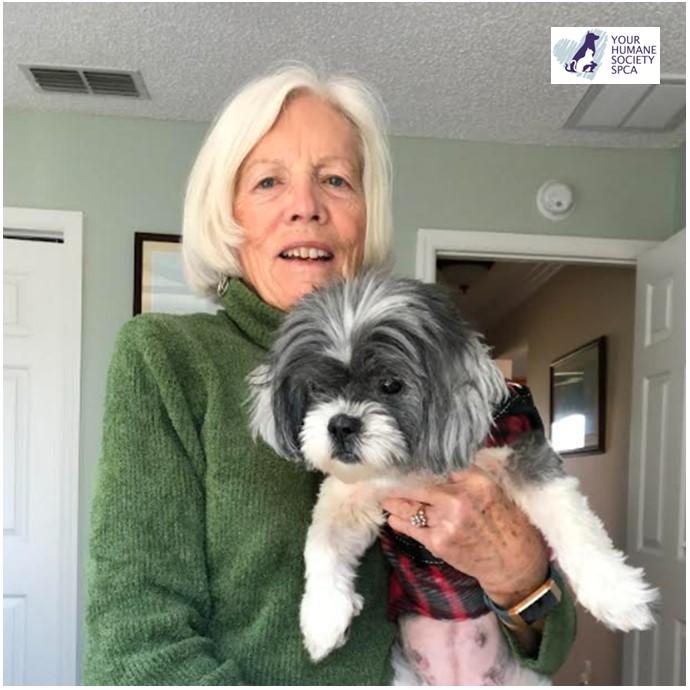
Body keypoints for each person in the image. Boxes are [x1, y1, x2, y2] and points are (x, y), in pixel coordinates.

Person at [84, 64, 575, 685]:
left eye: (335, 181)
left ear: (365, 213)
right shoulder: (167, 357)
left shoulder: (428, 357)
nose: (306, 209)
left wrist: (522, 575)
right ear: (228, 213)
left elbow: (550, 647)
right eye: (268, 182)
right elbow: (136, 641)